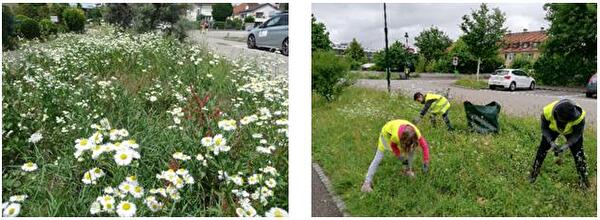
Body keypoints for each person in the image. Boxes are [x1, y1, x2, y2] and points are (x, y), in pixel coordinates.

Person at [529, 99, 589, 188]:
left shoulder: (578, 117)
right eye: (565, 120)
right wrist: (551, 142)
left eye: (570, 120)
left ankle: (584, 182)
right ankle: (533, 175)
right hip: (552, 129)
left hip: (571, 132)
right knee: (541, 151)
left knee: (579, 155)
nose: (568, 121)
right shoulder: (547, 112)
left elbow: (577, 134)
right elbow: (544, 129)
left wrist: (566, 145)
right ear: (557, 114)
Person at [361, 119, 430, 193]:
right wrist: (401, 158)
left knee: (411, 150)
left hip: (400, 132)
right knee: (378, 157)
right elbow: (393, 146)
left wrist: (426, 162)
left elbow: (425, 146)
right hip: (386, 134)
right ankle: (366, 183)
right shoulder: (395, 137)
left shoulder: (416, 133)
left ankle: (407, 170)